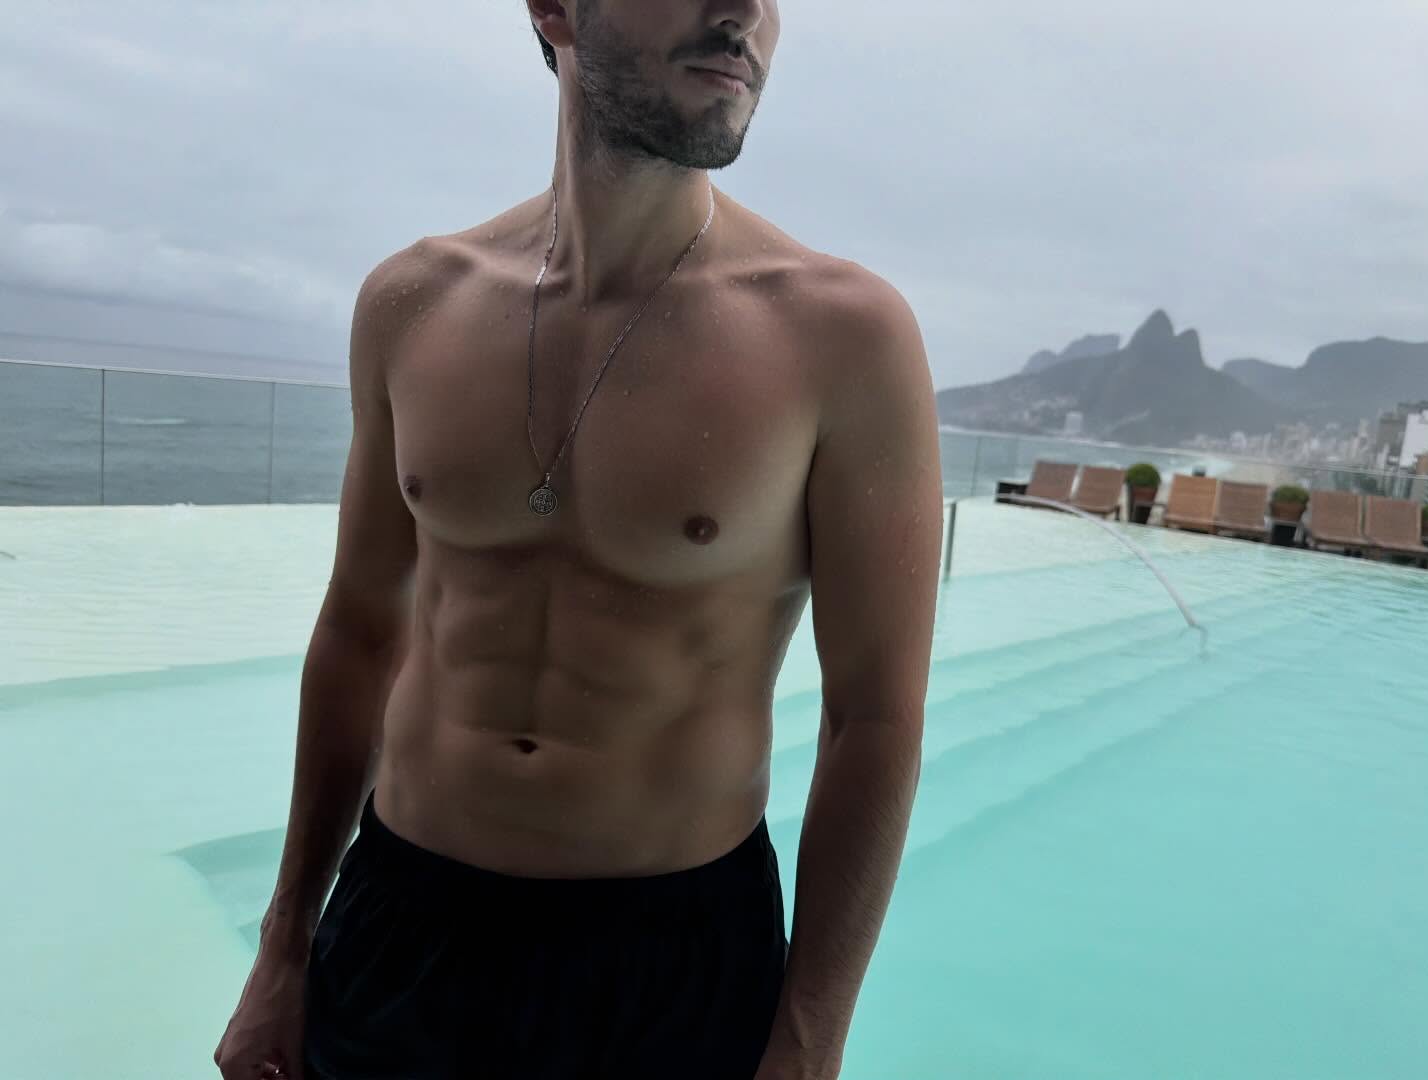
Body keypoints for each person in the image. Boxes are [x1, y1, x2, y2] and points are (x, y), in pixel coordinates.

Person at [214, 1, 941, 1077]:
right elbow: (361, 631)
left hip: (669, 967)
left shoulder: (841, 335)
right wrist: (281, 951)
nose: (744, 13)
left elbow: (873, 720)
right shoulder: (413, 302)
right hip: (401, 924)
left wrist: (808, 1040)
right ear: (553, 8)